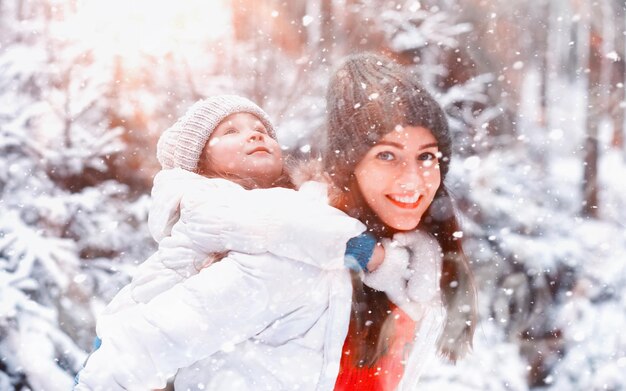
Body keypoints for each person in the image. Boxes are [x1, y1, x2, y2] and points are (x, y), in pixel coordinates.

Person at [74, 95, 373, 390]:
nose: (256, 134)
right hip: (136, 344)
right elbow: (278, 223)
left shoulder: (287, 207)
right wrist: (353, 244)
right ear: (200, 162)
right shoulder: (208, 199)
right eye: (231, 131)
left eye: (264, 130)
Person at [319, 52, 478, 390]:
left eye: (426, 156)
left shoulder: (421, 255)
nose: (412, 180)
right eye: (386, 155)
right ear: (349, 166)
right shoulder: (311, 249)